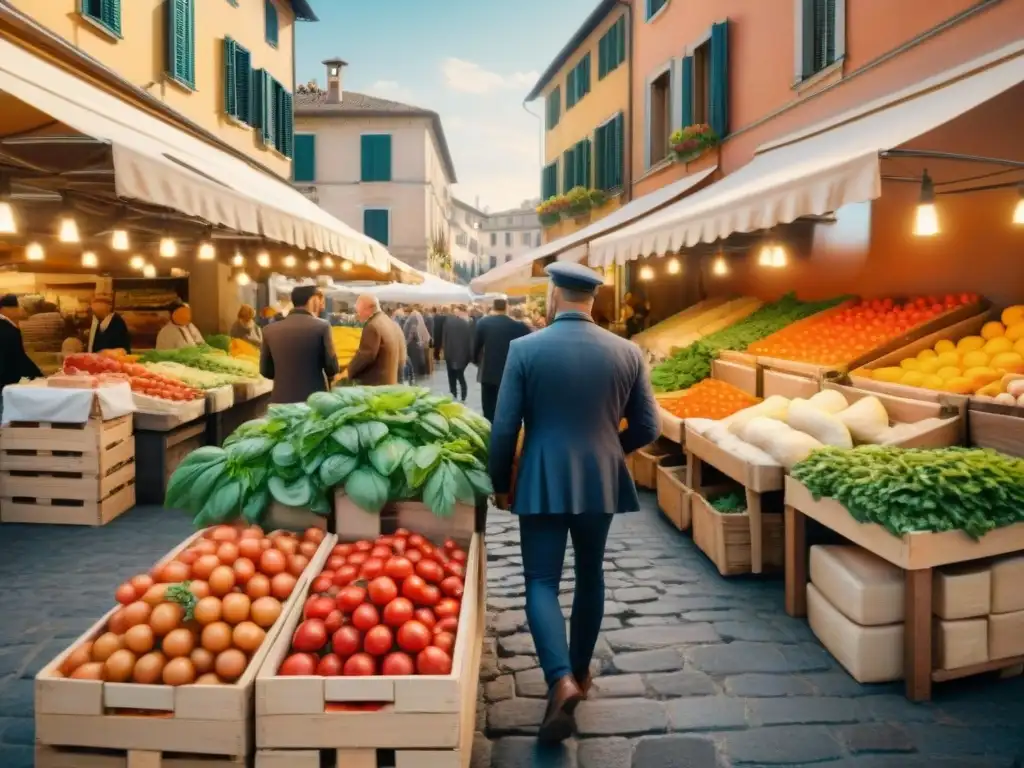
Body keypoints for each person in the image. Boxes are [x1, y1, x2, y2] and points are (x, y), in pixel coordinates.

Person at [486, 262, 659, 744]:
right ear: (593, 300)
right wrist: (610, 451)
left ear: (554, 297)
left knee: (541, 579)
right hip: (600, 478)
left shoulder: (525, 349)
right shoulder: (627, 351)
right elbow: (648, 427)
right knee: (591, 573)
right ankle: (580, 674)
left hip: (541, 474)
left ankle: (558, 679)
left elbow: (503, 428)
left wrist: (500, 481)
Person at [261, 286, 339, 403]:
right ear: (313, 300)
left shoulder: (269, 330)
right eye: (320, 300)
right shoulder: (322, 326)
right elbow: (332, 368)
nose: (322, 305)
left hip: (280, 401)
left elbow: (265, 371)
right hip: (313, 402)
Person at [472, 298, 530, 421]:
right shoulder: (518, 326)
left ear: (493, 307)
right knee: (508, 407)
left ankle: (490, 430)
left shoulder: (483, 323)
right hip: (510, 371)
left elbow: (476, 346)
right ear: (506, 307)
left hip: (489, 371)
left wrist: (475, 360)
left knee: (488, 407)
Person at [346, 293, 406, 385]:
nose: (358, 315)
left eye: (359, 311)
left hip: (376, 386)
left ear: (368, 309)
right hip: (391, 382)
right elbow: (402, 356)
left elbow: (365, 356)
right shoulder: (390, 322)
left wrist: (347, 372)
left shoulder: (372, 326)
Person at [0, 294, 43, 415]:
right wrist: (36, 375)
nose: (21, 309)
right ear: (7, 309)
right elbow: (16, 357)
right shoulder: (6, 329)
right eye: (18, 306)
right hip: (5, 385)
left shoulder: (8, 327)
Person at [441, 305, 473, 401]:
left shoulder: (448, 322)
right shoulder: (466, 324)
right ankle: (463, 396)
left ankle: (453, 394)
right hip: (462, 355)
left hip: (450, 353)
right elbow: (469, 341)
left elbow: (444, 338)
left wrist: (444, 351)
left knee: (451, 377)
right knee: (460, 376)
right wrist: (469, 356)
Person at [404, 308, 431, 382]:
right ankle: (417, 374)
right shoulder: (416, 315)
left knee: (414, 361)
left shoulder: (413, 317)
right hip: (416, 343)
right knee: (417, 360)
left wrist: (407, 342)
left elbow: (413, 331)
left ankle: (415, 376)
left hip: (413, 344)